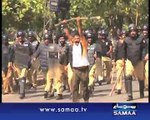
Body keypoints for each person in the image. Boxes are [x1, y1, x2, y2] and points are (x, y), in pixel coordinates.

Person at [63, 17, 90, 102]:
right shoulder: (72, 44)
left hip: (84, 69)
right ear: (73, 39)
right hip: (75, 69)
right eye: (76, 38)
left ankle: (86, 101)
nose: (77, 39)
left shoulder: (84, 44)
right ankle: (75, 103)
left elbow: (81, 33)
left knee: (85, 88)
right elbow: (67, 34)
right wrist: (64, 24)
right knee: (74, 86)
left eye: (78, 38)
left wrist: (79, 23)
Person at [33, 33, 63, 100]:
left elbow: (59, 55)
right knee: (48, 80)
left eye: (48, 39)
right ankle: (51, 92)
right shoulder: (41, 46)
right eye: (45, 39)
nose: (46, 41)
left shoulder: (54, 46)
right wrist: (34, 58)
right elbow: (36, 53)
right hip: (44, 66)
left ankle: (56, 93)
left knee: (55, 80)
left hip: (52, 66)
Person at [124, 24, 146, 101]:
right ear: (129, 32)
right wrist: (123, 59)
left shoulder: (141, 39)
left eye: (134, 31)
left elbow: (144, 48)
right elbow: (124, 50)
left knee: (141, 78)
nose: (133, 32)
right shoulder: (126, 40)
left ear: (136, 31)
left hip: (139, 60)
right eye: (131, 31)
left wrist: (143, 57)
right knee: (128, 76)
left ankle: (141, 92)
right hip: (129, 60)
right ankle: (129, 95)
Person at [11, 31, 33, 99]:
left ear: (24, 37)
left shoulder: (28, 44)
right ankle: (22, 89)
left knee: (23, 77)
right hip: (17, 64)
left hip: (25, 64)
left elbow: (31, 53)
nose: (20, 38)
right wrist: (11, 62)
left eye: (22, 36)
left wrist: (30, 61)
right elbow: (12, 54)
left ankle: (22, 93)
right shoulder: (14, 44)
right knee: (20, 78)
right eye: (19, 36)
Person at [113, 30, 126, 94]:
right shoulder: (117, 43)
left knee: (127, 75)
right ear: (120, 36)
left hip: (126, 60)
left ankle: (128, 88)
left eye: (124, 35)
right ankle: (119, 88)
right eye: (122, 35)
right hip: (119, 60)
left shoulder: (127, 43)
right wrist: (114, 60)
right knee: (119, 75)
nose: (124, 36)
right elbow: (115, 52)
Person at [141, 24, 149, 90]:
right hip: (141, 58)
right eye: (144, 30)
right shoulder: (139, 38)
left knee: (147, 71)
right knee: (141, 73)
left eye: (146, 30)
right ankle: (143, 85)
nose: (145, 32)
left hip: (148, 58)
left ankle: (147, 85)